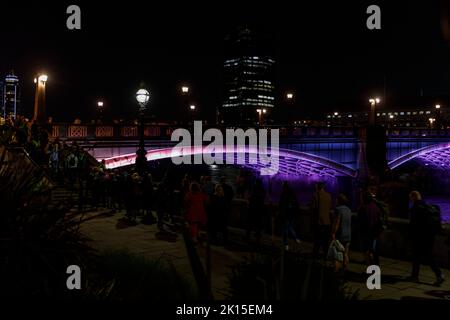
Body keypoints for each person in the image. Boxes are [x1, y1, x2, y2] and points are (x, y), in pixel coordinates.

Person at [407, 191, 445, 286]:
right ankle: (414, 276)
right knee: (420, 256)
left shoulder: (415, 208)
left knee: (423, 256)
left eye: (410, 198)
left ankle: (439, 274)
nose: (410, 200)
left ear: (413, 197)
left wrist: (410, 236)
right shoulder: (427, 206)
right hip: (430, 236)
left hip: (420, 237)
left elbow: (413, 225)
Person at [358, 191, 384, 266]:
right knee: (374, 250)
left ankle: (370, 269)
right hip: (375, 233)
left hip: (366, 233)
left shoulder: (363, 208)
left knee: (367, 251)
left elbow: (360, 221)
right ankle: (375, 267)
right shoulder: (376, 207)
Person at [331, 193, 352, 272]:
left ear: (339, 200)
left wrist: (333, 233)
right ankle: (345, 269)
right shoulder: (348, 210)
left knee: (337, 254)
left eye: (336, 199)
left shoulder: (338, 209)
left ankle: (336, 271)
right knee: (345, 253)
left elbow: (337, 222)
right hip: (348, 235)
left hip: (340, 235)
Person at [311, 182, 333, 257]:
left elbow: (313, 209)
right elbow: (329, 208)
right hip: (327, 221)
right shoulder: (329, 196)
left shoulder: (315, 195)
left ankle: (315, 254)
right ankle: (326, 254)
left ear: (317, 187)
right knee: (325, 240)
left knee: (317, 239)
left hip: (319, 221)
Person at [279, 181, 301, 251]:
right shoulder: (292, 193)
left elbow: (281, 203)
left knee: (285, 229)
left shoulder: (284, 193)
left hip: (286, 213)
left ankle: (286, 245)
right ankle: (296, 239)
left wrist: (280, 211)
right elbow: (296, 203)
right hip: (292, 213)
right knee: (289, 227)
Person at [246, 179, 266, 244]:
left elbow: (250, 198)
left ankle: (248, 237)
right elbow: (263, 198)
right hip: (260, 210)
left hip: (252, 209)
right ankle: (258, 238)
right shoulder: (263, 190)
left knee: (250, 224)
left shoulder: (254, 189)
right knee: (258, 225)